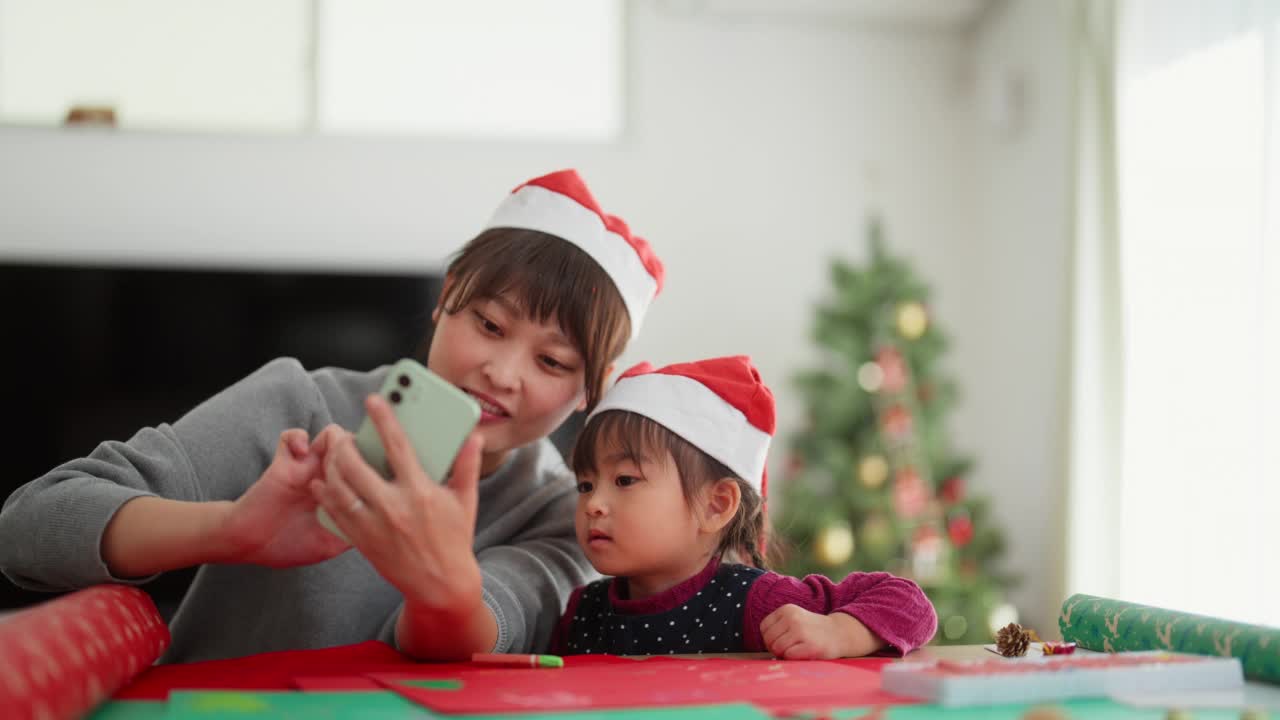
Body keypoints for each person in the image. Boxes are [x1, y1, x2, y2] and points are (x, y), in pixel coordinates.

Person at [0, 169, 664, 663]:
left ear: (588, 392)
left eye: (551, 363)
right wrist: (231, 530)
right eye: (489, 323)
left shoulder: (559, 512)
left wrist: (445, 591)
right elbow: (30, 525)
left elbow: (488, 633)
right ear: (446, 298)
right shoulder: (301, 403)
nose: (504, 372)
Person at [549, 356, 938, 659]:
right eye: (585, 484)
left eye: (624, 480)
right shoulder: (583, 611)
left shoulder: (754, 602)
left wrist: (838, 632)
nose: (594, 504)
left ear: (715, 506)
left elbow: (911, 605)